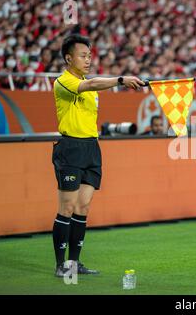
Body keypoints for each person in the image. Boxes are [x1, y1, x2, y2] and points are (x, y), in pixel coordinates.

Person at [52, 34, 145, 277]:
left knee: (83, 207)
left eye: (89, 55)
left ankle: (74, 264)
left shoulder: (91, 87)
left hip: (91, 148)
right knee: (67, 207)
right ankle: (60, 265)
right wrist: (122, 79)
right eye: (83, 56)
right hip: (70, 148)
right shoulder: (63, 82)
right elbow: (91, 84)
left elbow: (92, 88)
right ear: (68, 58)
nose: (88, 60)